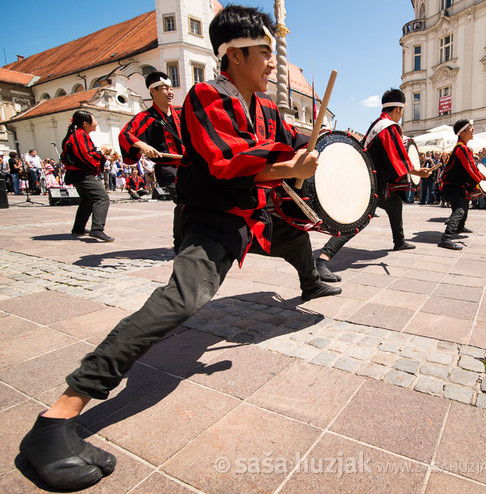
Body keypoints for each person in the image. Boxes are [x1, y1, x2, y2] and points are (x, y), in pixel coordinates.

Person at [18, 7, 340, 491]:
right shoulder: (207, 97)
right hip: (212, 219)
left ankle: (311, 280)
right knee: (184, 299)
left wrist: (339, 151)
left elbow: (289, 139)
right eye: (265, 53)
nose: (272, 63)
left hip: (252, 214)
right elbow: (230, 161)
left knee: (294, 237)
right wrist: (290, 167)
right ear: (234, 56)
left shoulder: (267, 108)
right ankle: (56, 418)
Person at [314, 89, 432, 281]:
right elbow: (397, 157)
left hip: (375, 181)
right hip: (371, 184)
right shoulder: (388, 128)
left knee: (394, 204)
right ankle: (322, 260)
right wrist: (418, 172)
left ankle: (399, 241)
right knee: (357, 222)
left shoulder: (376, 125)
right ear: (400, 109)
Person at [120, 71, 185, 251]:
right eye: (164, 88)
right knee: (184, 200)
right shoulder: (146, 117)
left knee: (196, 202)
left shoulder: (182, 112)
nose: (170, 92)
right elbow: (126, 135)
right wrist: (142, 145)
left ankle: (191, 239)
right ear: (153, 92)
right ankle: (180, 245)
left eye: (171, 88)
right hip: (168, 168)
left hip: (189, 166)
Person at [437, 119, 486, 250]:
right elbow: (470, 168)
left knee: (464, 205)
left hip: (456, 185)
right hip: (452, 186)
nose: (473, 130)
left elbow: (472, 168)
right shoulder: (461, 149)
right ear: (462, 132)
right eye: (470, 128)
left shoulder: (464, 148)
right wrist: (484, 178)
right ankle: (446, 238)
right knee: (459, 210)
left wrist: (484, 177)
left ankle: (460, 226)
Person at [60, 110, 115, 242]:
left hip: (78, 173)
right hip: (81, 173)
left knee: (88, 200)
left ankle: (78, 228)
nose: (96, 123)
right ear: (85, 123)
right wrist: (101, 152)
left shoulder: (78, 134)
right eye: (94, 120)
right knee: (102, 198)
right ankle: (97, 229)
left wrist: (103, 156)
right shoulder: (79, 135)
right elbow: (88, 157)